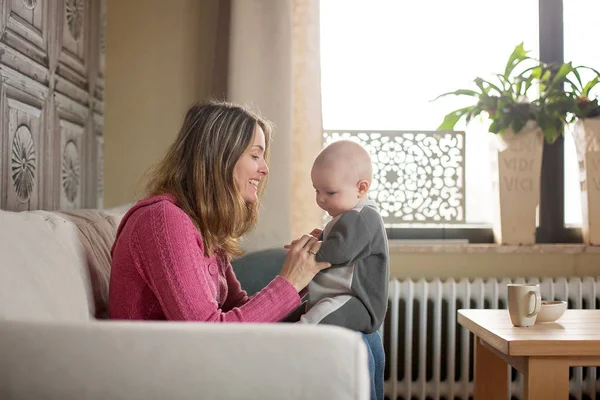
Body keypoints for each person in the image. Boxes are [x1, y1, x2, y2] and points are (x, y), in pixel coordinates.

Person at [109, 101, 330, 322]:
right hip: (165, 356)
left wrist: (308, 274)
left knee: (349, 328)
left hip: (195, 354)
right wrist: (289, 282)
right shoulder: (163, 220)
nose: (265, 169)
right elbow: (209, 331)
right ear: (219, 158)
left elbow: (238, 311)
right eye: (255, 156)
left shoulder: (203, 225)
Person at [295, 140, 389, 400]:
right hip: (344, 295)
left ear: (361, 188)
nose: (320, 199)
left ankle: (295, 339)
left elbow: (340, 252)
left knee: (319, 315)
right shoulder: (347, 215)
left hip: (355, 300)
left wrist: (309, 249)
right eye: (317, 191)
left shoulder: (362, 216)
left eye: (330, 192)